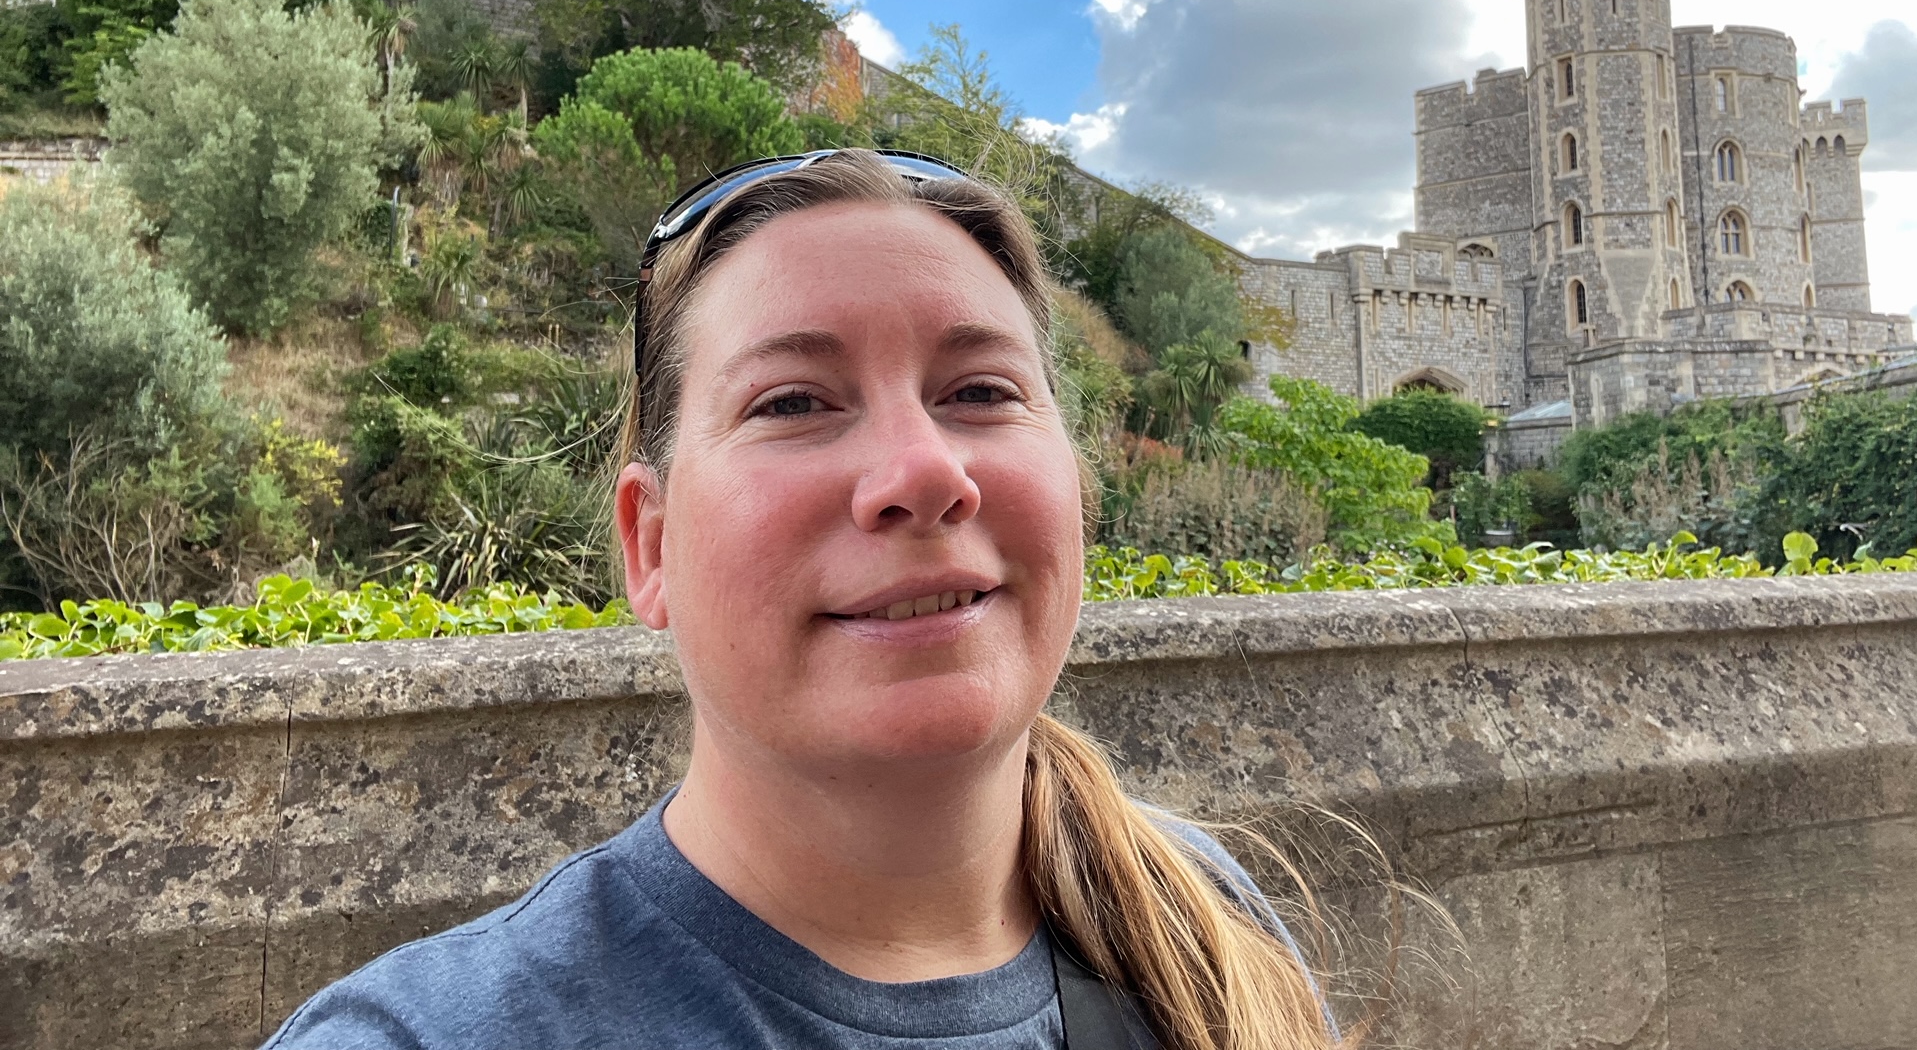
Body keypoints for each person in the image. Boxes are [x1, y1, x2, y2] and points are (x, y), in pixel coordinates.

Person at [267, 148, 1340, 1049]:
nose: (922, 472)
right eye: (792, 402)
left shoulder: (1200, 920)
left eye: (980, 391)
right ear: (651, 547)